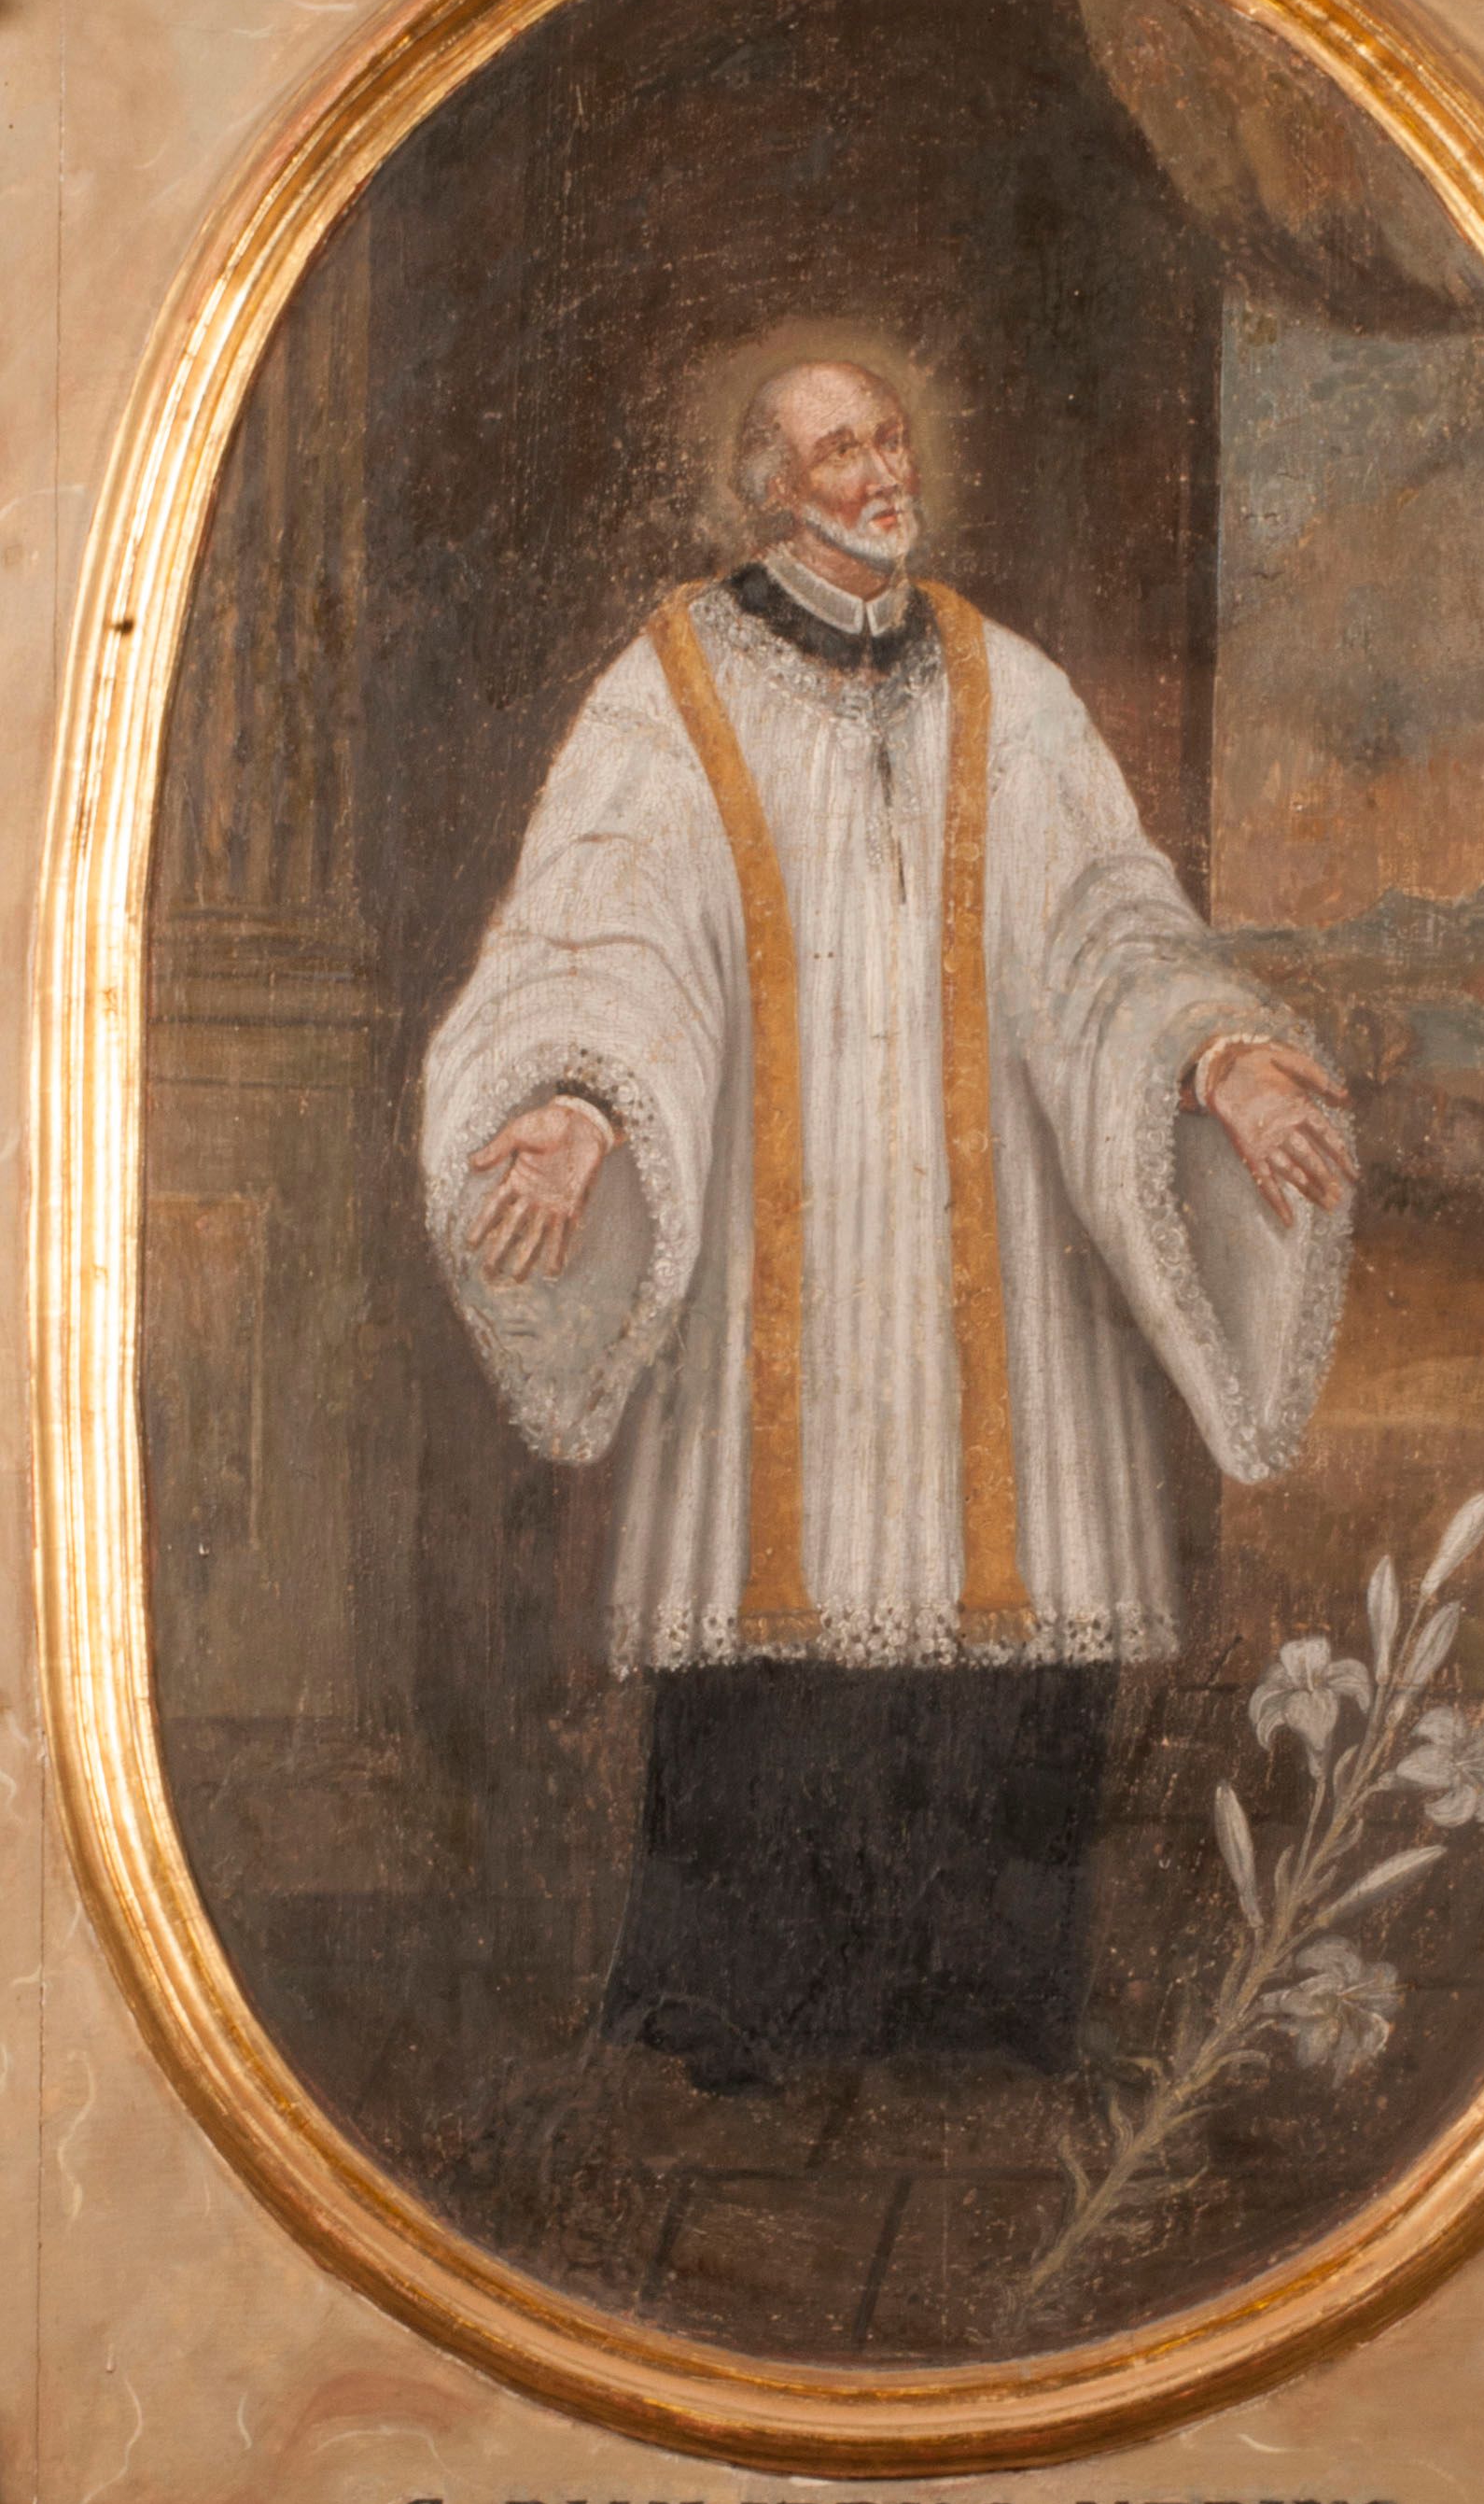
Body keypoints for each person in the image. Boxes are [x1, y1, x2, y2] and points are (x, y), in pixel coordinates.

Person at [422, 357, 1354, 2084]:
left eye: (887, 436)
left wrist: (1214, 1054)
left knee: (1001, 1621)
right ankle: (742, 2017)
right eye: (837, 447)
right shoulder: (667, 692)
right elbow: (598, 930)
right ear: (766, 490)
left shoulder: (1014, 688)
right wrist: (575, 1100)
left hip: (1001, 1260)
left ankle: (984, 2011)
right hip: (772, 1273)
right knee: (778, 1634)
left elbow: (1107, 923)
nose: (876, 469)